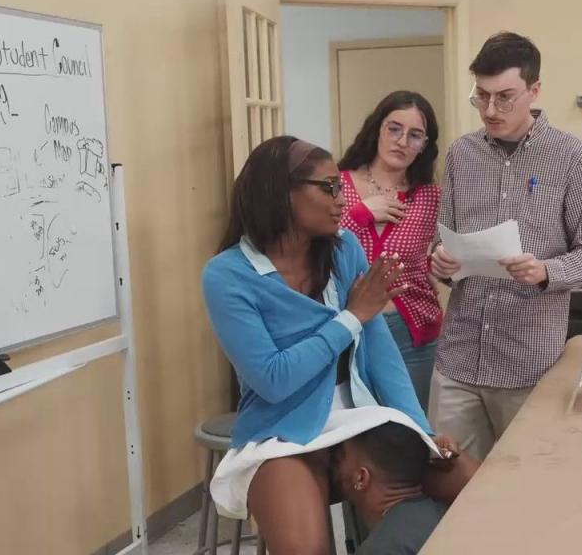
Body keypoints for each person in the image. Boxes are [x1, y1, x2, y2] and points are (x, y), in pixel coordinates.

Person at [201, 136, 472, 555]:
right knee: (305, 548)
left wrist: (422, 431)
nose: (342, 200)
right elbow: (273, 380)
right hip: (281, 430)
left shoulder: (344, 251)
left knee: (471, 484)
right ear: (281, 194)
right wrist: (351, 317)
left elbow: (382, 357)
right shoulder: (227, 275)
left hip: (363, 418)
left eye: (340, 187)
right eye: (329, 188)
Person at [429, 32, 582, 461]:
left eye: (505, 97)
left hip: (529, 364)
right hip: (458, 360)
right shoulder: (461, 155)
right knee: (448, 481)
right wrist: (440, 261)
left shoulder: (572, 158)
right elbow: (442, 238)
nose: (490, 110)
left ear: (535, 90)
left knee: (526, 484)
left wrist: (546, 271)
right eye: (482, 96)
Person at [338, 90, 442, 411]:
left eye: (415, 135)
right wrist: (360, 215)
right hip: (349, 329)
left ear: (424, 145)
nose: (402, 142)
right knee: (357, 429)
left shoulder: (430, 197)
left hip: (412, 333)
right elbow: (318, 246)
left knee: (409, 429)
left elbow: (438, 254)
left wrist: (440, 263)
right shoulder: (337, 184)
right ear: (377, 128)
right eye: (394, 129)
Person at [332, 422, 448, 555]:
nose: (335, 466)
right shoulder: (449, 513)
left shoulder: (380, 549)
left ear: (361, 478)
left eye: (341, 457)